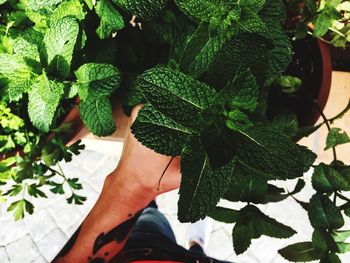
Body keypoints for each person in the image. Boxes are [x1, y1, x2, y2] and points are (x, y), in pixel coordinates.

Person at [53, 106, 232, 263]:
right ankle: (196, 245)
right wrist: (137, 185)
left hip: (138, 252)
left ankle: (153, 210)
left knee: (149, 218)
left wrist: (133, 187)